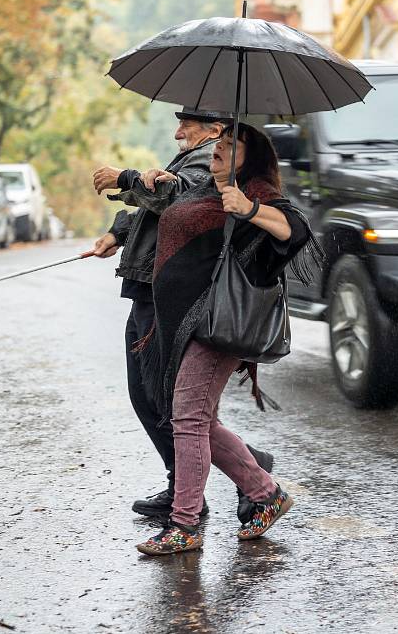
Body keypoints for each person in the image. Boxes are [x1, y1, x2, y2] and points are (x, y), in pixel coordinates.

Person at [135, 123, 321, 556]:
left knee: (188, 419)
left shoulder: (252, 189)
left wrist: (251, 209)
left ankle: (185, 525)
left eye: (229, 145)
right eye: (217, 143)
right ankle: (265, 493)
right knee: (200, 421)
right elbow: (171, 215)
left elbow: (296, 230)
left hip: (217, 323)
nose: (218, 149)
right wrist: (166, 186)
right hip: (183, 323)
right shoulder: (203, 185)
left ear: (250, 157)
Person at [90, 108, 274, 523]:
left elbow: (181, 198)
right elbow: (165, 213)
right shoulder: (197, 157)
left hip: (167, 294)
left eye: (186, 125)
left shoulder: (209, 159)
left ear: (215, 130)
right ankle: (223, 477)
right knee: (156, 397)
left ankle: (207, 490)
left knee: (167, 401)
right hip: (150, 287)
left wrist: (125, 178)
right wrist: (117, 234)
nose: (177, 132)